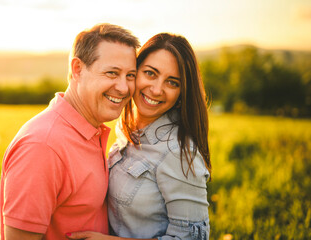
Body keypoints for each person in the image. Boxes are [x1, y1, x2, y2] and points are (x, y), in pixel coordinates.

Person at [0, 23, 140, 240]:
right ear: (77, 69)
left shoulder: (89, 129)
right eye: (112, 73)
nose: (123, 88)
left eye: (130, 75)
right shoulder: (43, 146)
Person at [67, 33, 212, 240]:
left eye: (172, 82)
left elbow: (193, 238)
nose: (156, 89)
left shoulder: (177, 151)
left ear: (182, 93)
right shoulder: (125, 130)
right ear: (134, 74)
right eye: (150, 73)